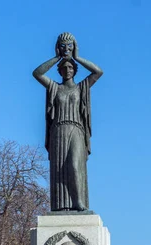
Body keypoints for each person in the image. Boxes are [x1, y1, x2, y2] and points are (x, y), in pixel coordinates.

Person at [33, 32, 103, 211]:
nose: (68, 70)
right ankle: (61, 205)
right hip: (58, 130)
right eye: (64, 68)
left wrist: (77, 57)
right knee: (59, 169)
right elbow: (37, 73)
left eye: (71, 68)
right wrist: (57, 57)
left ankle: (79, 201)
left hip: (76, 130)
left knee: (74, 164)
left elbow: (98, 72)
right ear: (60, 70)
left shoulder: (82, 87)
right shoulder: (55, 87)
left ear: (75, 70)